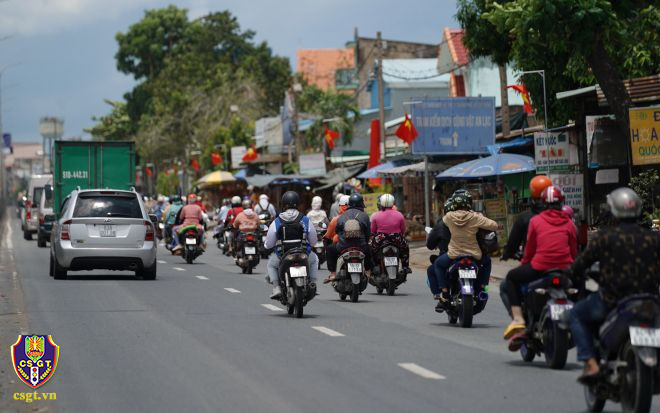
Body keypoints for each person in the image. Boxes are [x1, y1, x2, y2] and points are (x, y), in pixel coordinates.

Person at [567, 188, 660, 382]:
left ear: (614, 210)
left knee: (576, 314)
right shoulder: (653, 238)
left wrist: (571, 273)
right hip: (650, 300)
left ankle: (591, 364)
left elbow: (581, 263)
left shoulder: (605, 237)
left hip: (612, 300)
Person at [502, 186, 577, 340]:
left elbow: (530, 249)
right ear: (562, 202)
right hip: (565, 268)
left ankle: (518, 319)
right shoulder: (569, 222)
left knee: (511, 277)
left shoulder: (535, 221)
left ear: (543, 202)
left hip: (540, 267)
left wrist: (525, 263)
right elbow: (573, 250)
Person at [430, 191, 498, 311]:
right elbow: (494, 225)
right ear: (469, 203)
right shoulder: (475, 217)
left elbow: (440, 225)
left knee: (438, 265)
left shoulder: (448, 217)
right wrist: (479, 216)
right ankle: (483, 288)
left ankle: (444, 293)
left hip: (454, 254)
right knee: (487, 262)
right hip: (474, 254)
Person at [499, 175, 553, 316]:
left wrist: (508, 254)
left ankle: (518, 318)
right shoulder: (566, 218)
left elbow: (527, 249)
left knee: (508, 282)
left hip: (538, 265)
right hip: (563, 266)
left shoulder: (530, 220)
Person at [263, 191, 318, 299]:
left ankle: (276, 288)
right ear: (297, 203)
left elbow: (269, 243)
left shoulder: (277, 221)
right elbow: (313, 241)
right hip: (303, 254)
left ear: (283, 204)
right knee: (315, 259)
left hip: (282, 255)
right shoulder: (305, 219)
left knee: (271, 265)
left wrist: (266, 246)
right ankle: (312, 283)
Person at [323, 193, 372, 284]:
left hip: (343, 246)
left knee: (330, 249)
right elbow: (368, 233)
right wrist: (364, 243)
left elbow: (337, 231)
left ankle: (333, 273)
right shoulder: (364, 216)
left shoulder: (341, 216)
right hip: (361, 246)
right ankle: (368, 271)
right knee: (370, 250)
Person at [370, 194, 411, 274]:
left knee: (371, 248)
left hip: (380, 238)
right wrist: (401, 236)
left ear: (381, 203)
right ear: (393, 203)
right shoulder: (399, 215)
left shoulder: (376, 216)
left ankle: (375, 266)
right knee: (405, 248)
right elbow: (403, 230)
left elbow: (373, 231)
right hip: (396, 238)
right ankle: (405, 267)